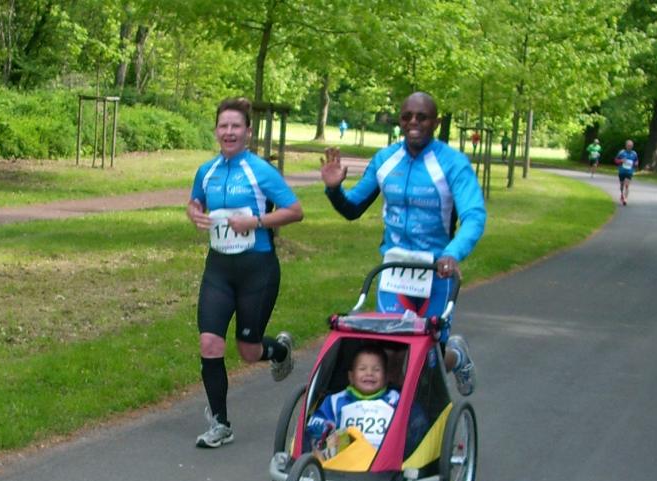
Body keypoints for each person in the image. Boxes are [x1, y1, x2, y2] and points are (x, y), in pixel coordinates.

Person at [320, 91, 486, 396]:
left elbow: (474, 216)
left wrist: (452, 253)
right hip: (394, 270)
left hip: (437, 271)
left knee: (429, 360)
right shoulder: (386, 160)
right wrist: (334, 190)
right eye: (407, 116)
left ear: (436, 122)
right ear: (400, 120)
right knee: (391, 354)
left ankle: (456, 356)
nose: (413, 123)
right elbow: (353, 208)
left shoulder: (452, 164)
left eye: (422, 117)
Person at [186, 97, 303, 448]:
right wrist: (193, 212)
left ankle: (278, 351)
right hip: (219, 269)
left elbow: (294, 210)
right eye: (223, 126)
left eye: (236, 126)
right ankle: (220, 423)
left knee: (249, 351)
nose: (229, 132)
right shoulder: (206, 171)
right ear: (216, 131)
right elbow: (195, 201)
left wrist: (257, 221)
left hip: (257, 269)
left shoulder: (260, 170)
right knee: (210, 343)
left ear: (248, 132)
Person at [306, 345, 400, 451]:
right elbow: (316, 424)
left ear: (386, 377)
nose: (369, 373)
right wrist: (325, 430)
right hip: (344, 456)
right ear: (351, 376)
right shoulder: (335, 401)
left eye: (376, 369)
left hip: (385, 456)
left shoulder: (395, 399)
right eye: (362, 369)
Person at [614, 139, 639, 205]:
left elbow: (636, 161)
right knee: (622, 185)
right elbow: (615, 160)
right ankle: (622, 194)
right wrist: (621, 160)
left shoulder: (634, 153)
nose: (629, 147)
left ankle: (625, 199)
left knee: (627, 185)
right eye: (628, 145)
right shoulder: (621, 152)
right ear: (626, 146)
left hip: (629, 172)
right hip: (622, 171)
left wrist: (636, 164)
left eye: (631, 145)